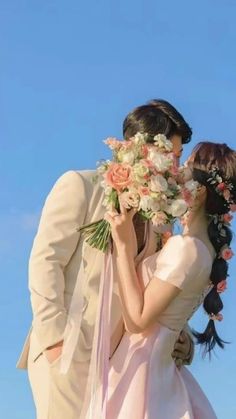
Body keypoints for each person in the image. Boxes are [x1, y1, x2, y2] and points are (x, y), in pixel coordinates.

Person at [16, 99, 194, 419]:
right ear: (141, 149)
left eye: (178, 158)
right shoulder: (81, 186)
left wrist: (183, 337)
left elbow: (159, 287)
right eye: (171, 156)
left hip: (120, 367)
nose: (176, 168)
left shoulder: (161, 217)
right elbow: (45, 262)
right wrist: (57, 342)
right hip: (69, 357)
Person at [91, 141, 236, 419]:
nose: (178, 172)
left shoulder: (187, 248)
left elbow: (138, 320)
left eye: (186, 167)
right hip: (161, 369)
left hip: (141, 370)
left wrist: (124, 246)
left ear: (202, 192)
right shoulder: (202, 249)